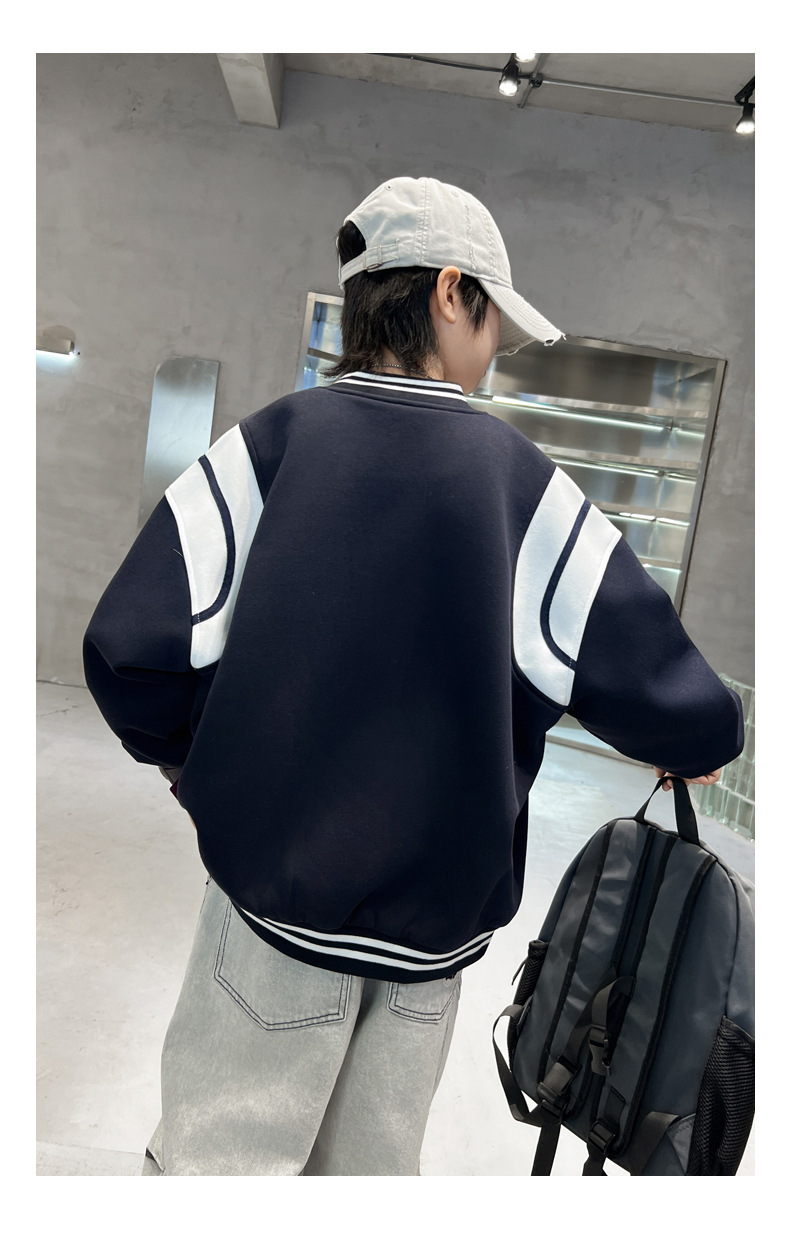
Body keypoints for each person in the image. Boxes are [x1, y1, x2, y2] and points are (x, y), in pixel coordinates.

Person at [82, 176, 743, 1176]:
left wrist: (188, 762)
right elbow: (664, 683)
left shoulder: (266, 450)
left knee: (216, 1177)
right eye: (494, 316)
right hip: (428, 953)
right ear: (447, 291)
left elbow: (127, 645)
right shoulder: (525, 489)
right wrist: (701, 739)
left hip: (272, 916)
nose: (498, 344)